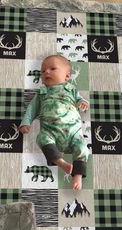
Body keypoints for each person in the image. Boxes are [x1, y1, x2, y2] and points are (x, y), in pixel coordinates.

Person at [19, 55, 89, 190]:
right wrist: (26, 122)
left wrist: (82, 103)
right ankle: (61, 162)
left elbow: (81, 100)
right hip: (50, 131)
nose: (46, 72)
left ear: (67, 76)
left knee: (82, 148)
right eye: (43, 71)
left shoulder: (71, 89)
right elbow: (32, 108)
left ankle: (78, 175)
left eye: (52, 69)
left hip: (73, 132)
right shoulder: (42, 92)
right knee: (41, 138)